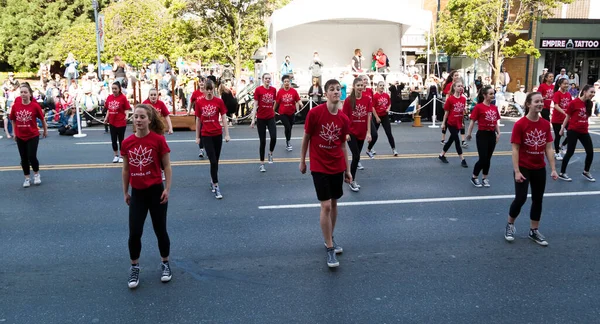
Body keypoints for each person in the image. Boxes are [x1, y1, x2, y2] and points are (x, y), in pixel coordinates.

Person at [299, 78, 351, 268]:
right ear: (325, 93)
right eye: (332, 89)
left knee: (335, 202)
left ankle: (330, 237)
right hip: (319, 165)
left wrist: (348, 170)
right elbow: (306, 137)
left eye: (338, 89)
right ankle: (330, 248)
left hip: (337, 165)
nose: (336, 92)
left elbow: (343, 145)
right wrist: (302, 160)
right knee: (326, 205)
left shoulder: (344, 118)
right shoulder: (314, 114)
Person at [121, 104, 172, 289]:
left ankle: (165, 263)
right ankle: (134, 267)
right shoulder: (127, 143)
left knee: (160, 230)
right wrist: (125, 191)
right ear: (133, 119)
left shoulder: (158, 140)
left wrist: (167, 188)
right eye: (136, 117)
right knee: (135, 232)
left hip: (156, 192)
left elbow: (167, 166)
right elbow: (126, 169)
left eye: (142, 117)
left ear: (149, 119)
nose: (139, 120)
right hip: (138, 194)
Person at [505, 92, 558, 246]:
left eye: (541, 101)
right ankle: (510, 225)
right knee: (521, 198)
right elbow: (515, 149)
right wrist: (517, 171)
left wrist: (553, 169)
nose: (540, 104)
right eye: (536, 101)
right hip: (523, 167)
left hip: (539, 167)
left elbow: (549, 148)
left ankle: (533, 231)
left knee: (538, 199)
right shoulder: (520, 124)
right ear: (528, 104)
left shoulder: (545, 124)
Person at [194, 80, 231, 199]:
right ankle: (216, 186)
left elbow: (224, 118)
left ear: (213, 89)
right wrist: (197, 137)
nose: (209, 92)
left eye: (211, 89)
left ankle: (212, 178)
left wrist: (227, 134)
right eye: (207, 89)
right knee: (213, 161)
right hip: (206, 134)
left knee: (216, 161)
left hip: (217, 134)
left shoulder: (218, 101)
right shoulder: (199, 103)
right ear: (203, 90)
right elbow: (198, 120)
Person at [10, 83, 48, 187]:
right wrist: (14, 133)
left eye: (25, 92)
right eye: (21, 92)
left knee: (32, 156)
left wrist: (45, 130)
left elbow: (42, 119)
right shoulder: (15, 106)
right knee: (23, 158)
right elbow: (13, 119)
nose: (23, 94)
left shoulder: (35, 106)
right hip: (20, 135)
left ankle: (36, 174)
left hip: (32, 135)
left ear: (30, 94)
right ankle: (27, 178)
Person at [558, 84, 596, 182]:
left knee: (590, 152)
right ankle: (562, 173)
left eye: (594, 92)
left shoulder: (590, 104)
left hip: (584, 131)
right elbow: (568, 116)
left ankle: (586, 171)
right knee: (570, 152)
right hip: (573, 130)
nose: (593, 94)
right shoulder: (574, 103)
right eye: (591, 92)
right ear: (584, 92)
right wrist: (562, 128)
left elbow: (586, 117)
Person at [466, 86, 500, 187]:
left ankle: (485, 177)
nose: (492, 95)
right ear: (484, 95)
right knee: (483, 158)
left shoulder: (494, 107)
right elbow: (472, 121)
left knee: (488, 158)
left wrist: (498, 133)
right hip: (482, 134)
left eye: (493, 93)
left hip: (491, 134)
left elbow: (496, 121)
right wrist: (469, 133)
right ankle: (474, 177)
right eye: (490, 94)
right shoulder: (479, 107)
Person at [343, 77, 372, 192]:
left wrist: (369, 132)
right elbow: (344, 118)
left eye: (361, 85)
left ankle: (347, 175)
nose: (360, 87)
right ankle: (352, 180)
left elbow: (368, 116)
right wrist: (345, 133)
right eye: (358, 85)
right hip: (351, 133)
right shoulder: (348, 100)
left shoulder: (367, 99)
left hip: (361, 132)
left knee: (356, 157)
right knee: (356, 156)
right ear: (354, 86)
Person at [438, 79, 468, 167]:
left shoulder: (463, 99)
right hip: (451, 123)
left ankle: (441, 154)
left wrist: (462, 122)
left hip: (458, 122)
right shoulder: (450, 99)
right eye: (458, 86)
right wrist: (443, 123)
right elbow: (446, 112)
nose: (460, 88)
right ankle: (462, 159)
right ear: (454, 88)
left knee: (451, 140)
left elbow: (461, 112)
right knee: (457, 141)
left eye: (461, 86)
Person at [251, 73, 277, 172]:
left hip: (270, 117)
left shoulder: (273, 90)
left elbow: (274, 102)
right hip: (261, 118)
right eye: (266, 78)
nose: (267, 80)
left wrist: (272, 110)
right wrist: (253, 119)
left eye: (269, 78)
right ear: (263, 80)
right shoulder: (258, 90)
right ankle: (262, 163)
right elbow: (255, 105)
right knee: (263, 141)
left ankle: (270, 153)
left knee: (274, 137)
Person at [367, 81, 398, 156]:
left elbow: (389, 103)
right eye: (380, 85)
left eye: (383, 85)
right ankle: (370, 148)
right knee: (374, 134)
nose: (382, 87)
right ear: (377, 87)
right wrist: (377, 117)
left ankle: (394, 149)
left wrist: (388, 108)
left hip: (385, 116)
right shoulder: (375, 96)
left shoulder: (386, 95)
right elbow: (373, 107)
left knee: (389, 133)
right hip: (377, 116)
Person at [104, 82, 131, 163]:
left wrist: (126, 116)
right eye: (113, 89)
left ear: (119, 89)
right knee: (113, 139)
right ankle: (116, 155)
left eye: (115, 88)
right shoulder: (109, 97)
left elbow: (126, 109)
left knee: (121, 140)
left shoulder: (123, 98)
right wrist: (106, 118)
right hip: (112, 122)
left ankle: (122, 155)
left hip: (121, 122)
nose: (114, 90)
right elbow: (108, 109)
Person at [275, 75, 301, 151]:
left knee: (289, 128)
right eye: (285, 82)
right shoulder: (280, 92)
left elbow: (298, 99)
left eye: (288, 81)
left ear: (290, 82)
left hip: (291, 113)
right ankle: (288, 142)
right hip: (283, 113)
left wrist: (301, 103)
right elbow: (277, 102)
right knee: (288, 127)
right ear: (283, 83)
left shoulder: (294, 91)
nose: (286, 83)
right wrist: (273, 110)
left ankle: (287, 139)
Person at [551, 78, 571, 161]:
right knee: (558, 136)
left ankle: (562, 145)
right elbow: (556, 105)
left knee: (571, 134)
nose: (566, 85)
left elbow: (571, 105)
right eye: (564, 84)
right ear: (560, 85)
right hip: (557, 118)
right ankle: (557, 152)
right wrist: (564, 112)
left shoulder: (569, 94)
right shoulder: (557, 94)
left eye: (567, 84)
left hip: (566, 118)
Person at [189, 77, 206, 158]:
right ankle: (201, 149)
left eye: (203, 82)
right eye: (200, 82)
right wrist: (188, 111)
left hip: (206, 115)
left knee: (206, 132)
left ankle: (208, 148)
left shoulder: (207, 92)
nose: (201, 83)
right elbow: (191, 102)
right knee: (200, 131)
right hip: (198, 115)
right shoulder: (195, 93)